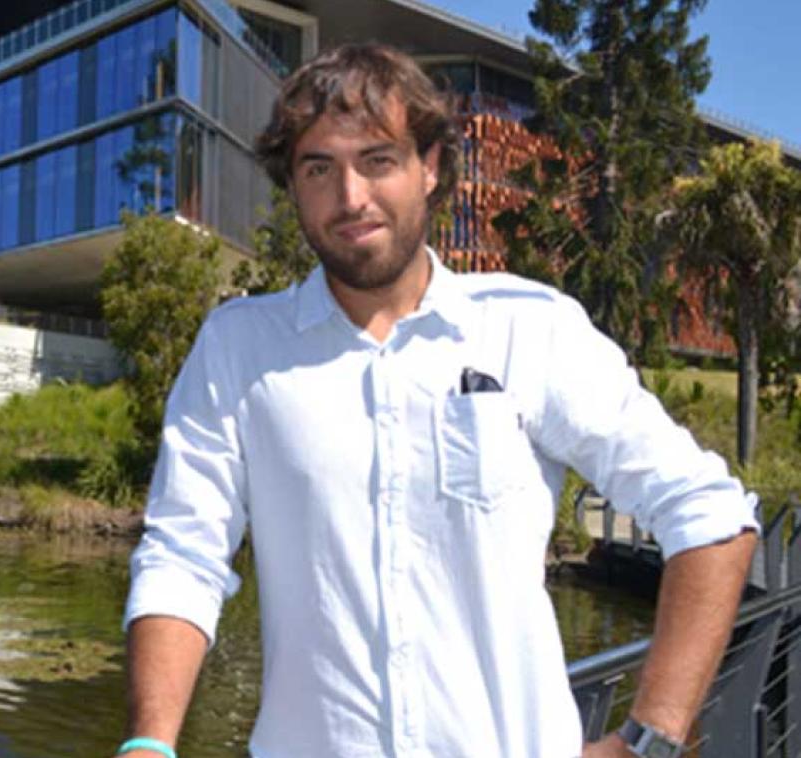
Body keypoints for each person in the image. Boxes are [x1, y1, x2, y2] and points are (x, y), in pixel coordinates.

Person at [118, 44, 757, 758]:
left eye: (378, 160)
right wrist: (150, 742)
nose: (350, 197)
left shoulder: (528, 329)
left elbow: (709, 514)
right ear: (292, 186)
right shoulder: (238, 349)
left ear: (430, 167)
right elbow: (183, 556)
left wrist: (650, 740)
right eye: (319, 168)